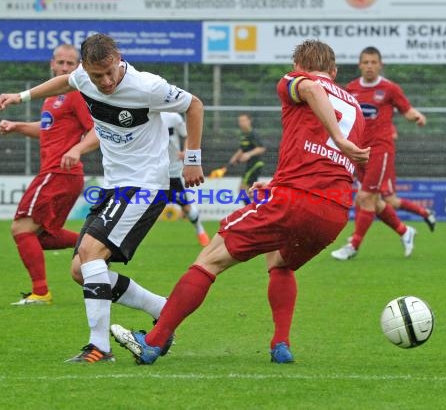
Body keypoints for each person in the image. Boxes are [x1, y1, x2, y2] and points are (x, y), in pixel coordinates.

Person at [109, 39, 370, 365]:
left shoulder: (295, 81)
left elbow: (314, 91)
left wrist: (338, 139)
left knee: (209, 259)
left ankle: (154, 341)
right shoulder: (357, 108)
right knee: (280, 262)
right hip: (333, 211)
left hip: (295, 200)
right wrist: (279, 181)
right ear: (334, 70)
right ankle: (280, 344)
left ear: (297, 66)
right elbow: (333, 160)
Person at [0, 33, 205, 363]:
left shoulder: (146, 86)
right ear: (87, 69)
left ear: (119, 58)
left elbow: (194, 104)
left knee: (91, 253)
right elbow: (66, 82)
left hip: (144, 186)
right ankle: (162, 310)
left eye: (110, 72)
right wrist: (20, 97)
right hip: (115, 187)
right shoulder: (83, 77)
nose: (105, 82)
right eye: (97, 76)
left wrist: (192, 159)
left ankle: (99, 347)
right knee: (81, 269)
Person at [0, 44, 94, 306]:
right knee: (43, 236)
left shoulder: (75, 94)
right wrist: (18, 126)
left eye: (70, 64)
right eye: (60, 63)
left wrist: (76, 149)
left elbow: (96, 130)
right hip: (59, 174)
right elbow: (48, 128)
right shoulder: (53, 96)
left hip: (59, 173)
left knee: (21, 228)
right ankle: (95, 246)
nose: (64, 68)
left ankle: (41, 293)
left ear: (79, 67)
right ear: (52, 63)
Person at [331, 46, 434, 261]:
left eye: (373, 62)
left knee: (365, 197)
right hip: (359, 151)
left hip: (380, 150)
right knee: (375, 202)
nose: (369, 66)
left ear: (380, 64)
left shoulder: (390, 89)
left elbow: (407, 110)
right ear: (360, 65)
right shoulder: (351, 89)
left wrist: (417, 116)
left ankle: (354, 245)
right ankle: (405, 232)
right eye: (366, 62)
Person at [161, 111, 210, 247]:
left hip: (173, 171)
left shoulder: (173, 117)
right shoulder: (144, 115)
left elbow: (188, 135)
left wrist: (187, 151)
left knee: (186, 206)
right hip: (152, 171)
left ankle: (200, 230)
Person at [228, 113, 266, 204]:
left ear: (249, 121)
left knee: (243, 190)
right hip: (250, 165)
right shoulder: (244, 135)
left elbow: (261, 148)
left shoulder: (253, 134)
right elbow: (242, 149)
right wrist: (233, 160)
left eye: (243, 120)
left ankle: (255, 209)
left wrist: (249, 154)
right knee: (247, 191)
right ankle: (256, 209)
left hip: (255, 164)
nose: (241, 123)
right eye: (240, 121)